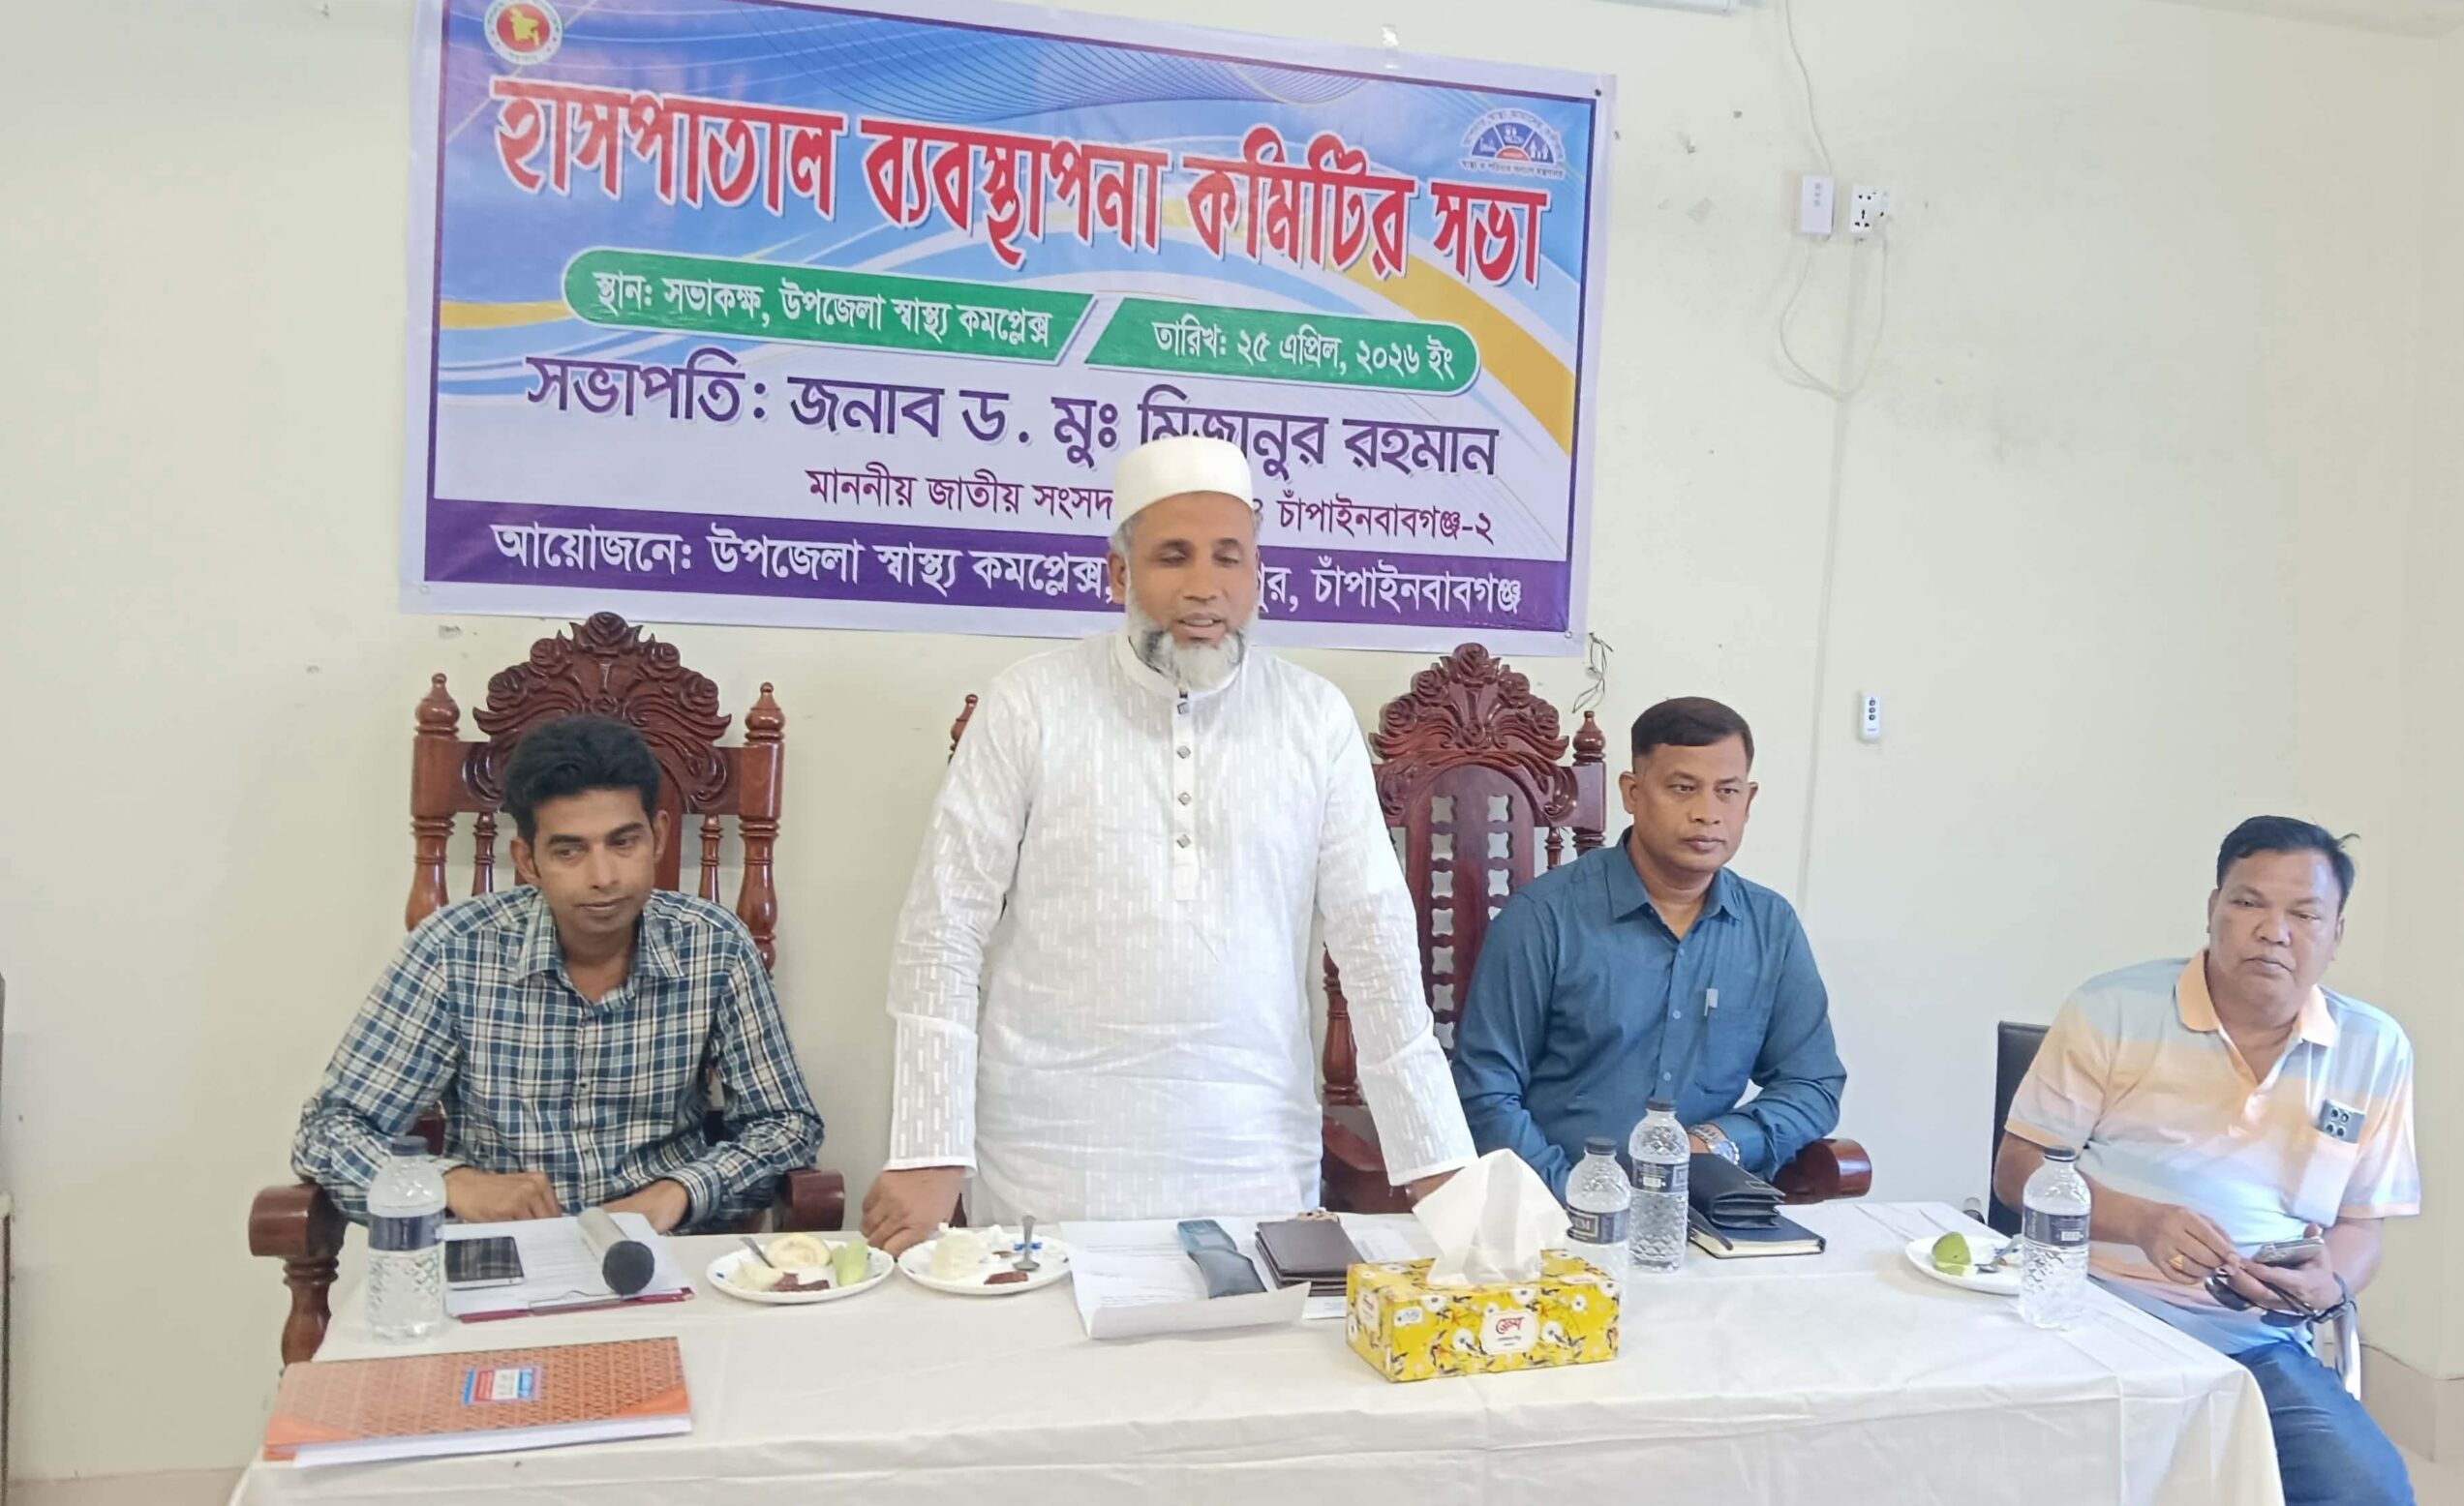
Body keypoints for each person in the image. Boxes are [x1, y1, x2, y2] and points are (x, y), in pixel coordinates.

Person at [861, 435, 1474, 1253]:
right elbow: (944, 925)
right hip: (1048, 1152)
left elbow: (1375, 940)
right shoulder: (1031, 703)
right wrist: (930, 1147)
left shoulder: (1313, 717)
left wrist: (1435, 1157)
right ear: (1118, 575)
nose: (1204, 587)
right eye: (1172, 557)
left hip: (1251, 1148)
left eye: (1229, 557)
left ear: (1257, 574)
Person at [2001, 817, 2417, 1506]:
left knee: (2369, 1491)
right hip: (2092, 1314)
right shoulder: (2113, 1007)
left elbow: (2361, 1228)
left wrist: (2330, 1282)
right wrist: (2140, 1223)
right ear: (2213, 908)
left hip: (2257, 1344)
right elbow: (2018, 1170)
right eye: (2249, 903)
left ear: (2335, 935)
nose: (2273, 931)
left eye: (2304, 914)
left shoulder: (2374, 1048)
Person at [293, 715, 823, 1233]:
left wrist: (680, 1192)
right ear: (528, 861)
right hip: (501, 1249)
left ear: (658, 837)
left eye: (624, 842)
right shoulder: (454, 950)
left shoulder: (714, 945)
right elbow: (328, 1132)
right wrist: (453, 1184)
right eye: (570, 850)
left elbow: (787, 1125)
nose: (604, 876)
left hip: (665, 1249)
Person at [1452, 696, 1845, 1189]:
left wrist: (1718, 1142)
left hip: (1703, 1207)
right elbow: (1485, 1091)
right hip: (1553, 1205)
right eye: (1683, 788)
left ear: (1748, 801)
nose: (1707, 813)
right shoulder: (1543, 917)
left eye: (1727, 791)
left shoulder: (1770, 926)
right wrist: (1577, 1197)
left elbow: (1812, 1084)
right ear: (1633, 793)